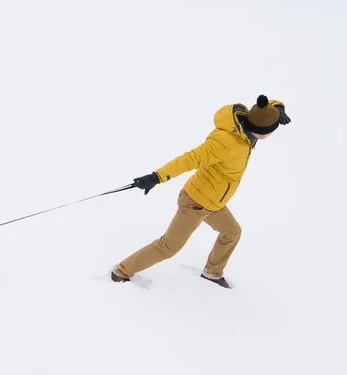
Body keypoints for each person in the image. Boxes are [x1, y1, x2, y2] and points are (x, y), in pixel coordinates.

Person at [111, 95, 291, 288]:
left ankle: (212, 272)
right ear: (261, 132)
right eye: (271, 131)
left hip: (214, 203)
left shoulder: (250, 126)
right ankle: (121, 270)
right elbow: (190, 159)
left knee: (232, 232)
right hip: (195, 202)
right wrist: (156, 177)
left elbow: (268, 106)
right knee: (169, 247)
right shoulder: (225, 142)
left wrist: (278, 110)